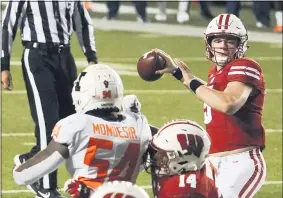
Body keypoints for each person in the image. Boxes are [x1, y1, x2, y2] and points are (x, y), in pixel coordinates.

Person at [152, 13, 266, 198]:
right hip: (212, 162)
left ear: (240, 44)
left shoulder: (246, 65)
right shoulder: (215, 73)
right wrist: (177, 72)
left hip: (241, 161)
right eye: (217, 40)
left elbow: (228, 104)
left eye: (230, 41)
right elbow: (210, 95)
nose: (222, 45)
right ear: (209, 43)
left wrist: (189, 80)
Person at [2, 1, 98, 197]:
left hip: (65, 56)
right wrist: (4, 65)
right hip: (37, 57)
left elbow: (83, 22)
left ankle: (28, 160)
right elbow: (8, 24)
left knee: (74, 124)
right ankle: (46, 187)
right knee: (48, 123)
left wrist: (91, 57)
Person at [13, 64, 152, 198]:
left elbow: (23, 176)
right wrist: (133, 113)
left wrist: (19, 168)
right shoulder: (138, 124)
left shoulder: (77, 124)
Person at [144, 119, 221, 198]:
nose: (158, 158)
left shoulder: (184, 189)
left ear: (184, 162)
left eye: (165, 156)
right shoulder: (198, 167)